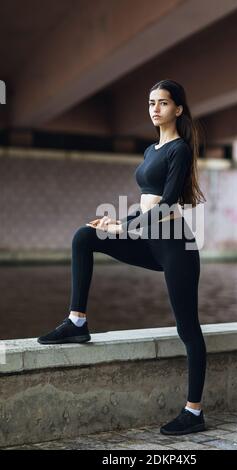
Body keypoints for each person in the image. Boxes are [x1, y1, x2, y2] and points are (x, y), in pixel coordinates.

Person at [37, 79, 207, 436]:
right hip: (149, 240)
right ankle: (77, 322)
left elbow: (168, 205)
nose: (155, 109)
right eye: (150, 103)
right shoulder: (150, 151)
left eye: (162, 103)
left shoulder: (180, 149)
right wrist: (120, 222)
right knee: (85, 236)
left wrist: (122, 229)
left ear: (178, 108)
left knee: (187, 328)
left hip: (176, 244)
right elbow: (146, 201)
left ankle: (194, 412)